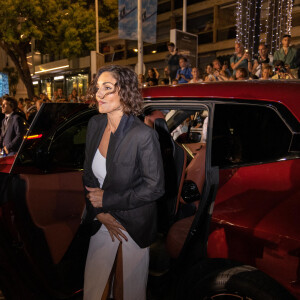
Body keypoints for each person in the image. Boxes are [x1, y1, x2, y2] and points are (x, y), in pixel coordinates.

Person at [82, 65, 165, 300]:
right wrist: (98, 212)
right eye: (98, 88)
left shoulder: (143, 135)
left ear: (125, 92)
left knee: (127, 292)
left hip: (133, 224)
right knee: (94, 290)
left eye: (107, 88)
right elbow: (88, 175)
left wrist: (107, 200)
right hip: (101, 220)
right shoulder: (95, 125)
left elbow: (154, 186)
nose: (98, 94)